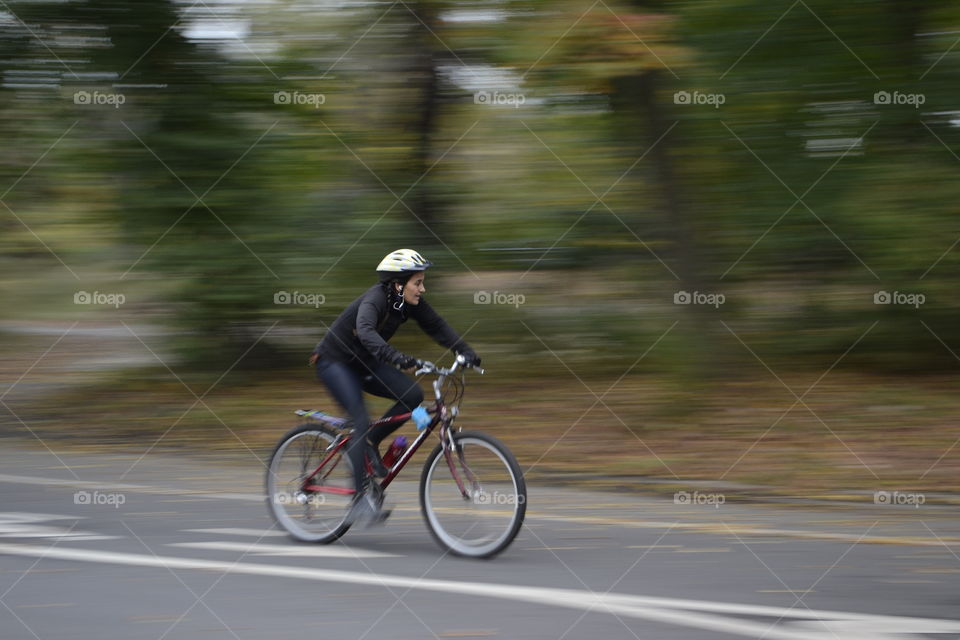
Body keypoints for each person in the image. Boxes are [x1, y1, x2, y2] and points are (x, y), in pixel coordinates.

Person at [309, 248, 480, 526]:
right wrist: (398, 359)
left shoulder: (407, 304)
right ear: (399, 285)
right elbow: (366, 332)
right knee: (359, 420)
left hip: (365, 363)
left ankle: (371, 442)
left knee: (413, 395)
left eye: (423, 282)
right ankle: (358, 503)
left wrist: (465, 351)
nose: (422, 288)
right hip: (335, 362)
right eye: (418, 282)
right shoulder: (375, 299)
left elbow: (437, 326)